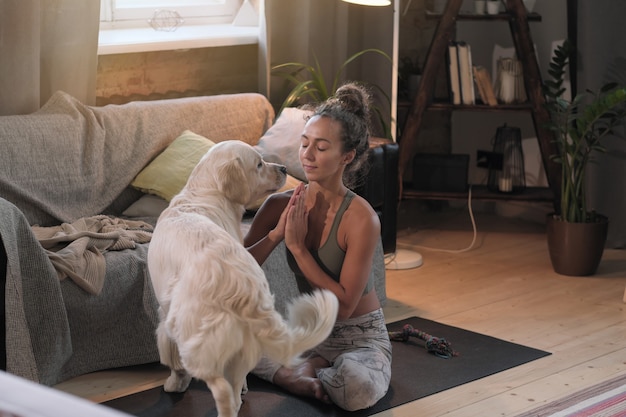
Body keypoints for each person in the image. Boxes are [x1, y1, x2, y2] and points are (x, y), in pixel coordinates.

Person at [244, 82, 392, 411]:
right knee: (232, 339)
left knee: (357, 389)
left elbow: (344, 308)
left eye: (321, 148)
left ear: (347, 156)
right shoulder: (278, 205)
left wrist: (299, 249)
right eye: (304, 143)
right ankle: (303, 373)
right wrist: (274, 237)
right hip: (308, 332)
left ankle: (301, 374)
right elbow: (236, 271)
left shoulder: (361, 219)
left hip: (359, 338)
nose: (307, 156)